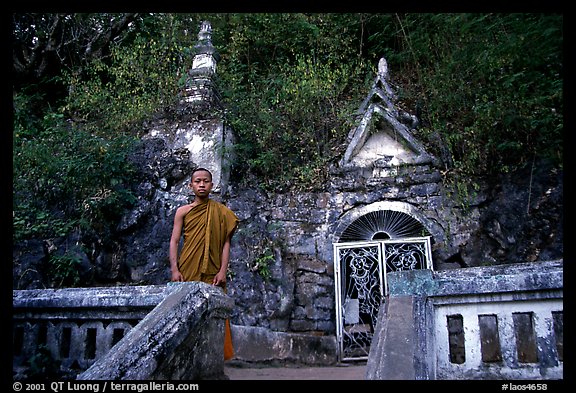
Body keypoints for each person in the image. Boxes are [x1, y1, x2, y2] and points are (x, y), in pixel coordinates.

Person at [169, 167, 239, 360]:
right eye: (197, 181)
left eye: (205, 181)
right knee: (184, 314)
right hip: (187, 268)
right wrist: (175, 269)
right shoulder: (182, 212)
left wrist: (223, 271)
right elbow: (174, 241)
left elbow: (226, 243)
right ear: (191, 185)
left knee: (214, 314)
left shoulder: (222, 213)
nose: (201, 184)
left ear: (212, 185)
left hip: (213, 271)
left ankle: (212, 359)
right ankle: (185, 358)